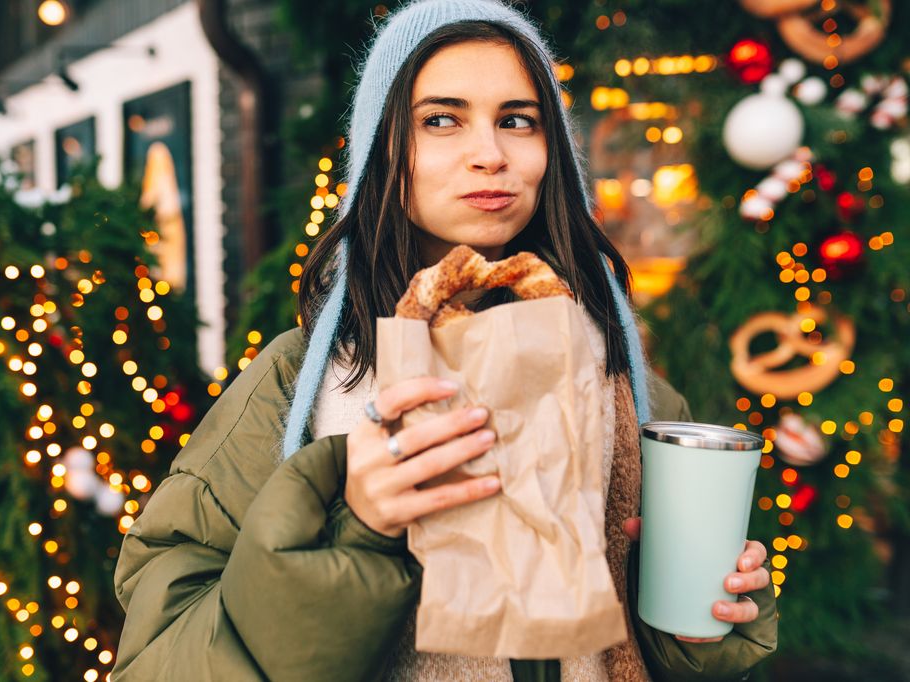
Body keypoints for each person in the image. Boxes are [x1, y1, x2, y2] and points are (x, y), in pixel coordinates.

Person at [111, 1, 778, 680]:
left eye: (518, 121)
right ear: (383, 149)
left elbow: (647, 645)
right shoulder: (296, 388)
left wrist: (701, 627)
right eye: (440, 119)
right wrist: (358, 531)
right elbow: (160, 652)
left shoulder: (622, 382)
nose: (489, 155)